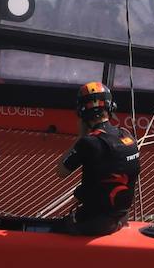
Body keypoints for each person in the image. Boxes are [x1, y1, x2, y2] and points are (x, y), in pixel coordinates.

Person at [55, 81, 140, 236]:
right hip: (121, 218)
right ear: (110, 108)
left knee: (50, 230)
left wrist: (81, 136)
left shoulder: (89, 142)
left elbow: (60, 171)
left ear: (81, 112)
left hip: (93, 224)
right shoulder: (127, 135)